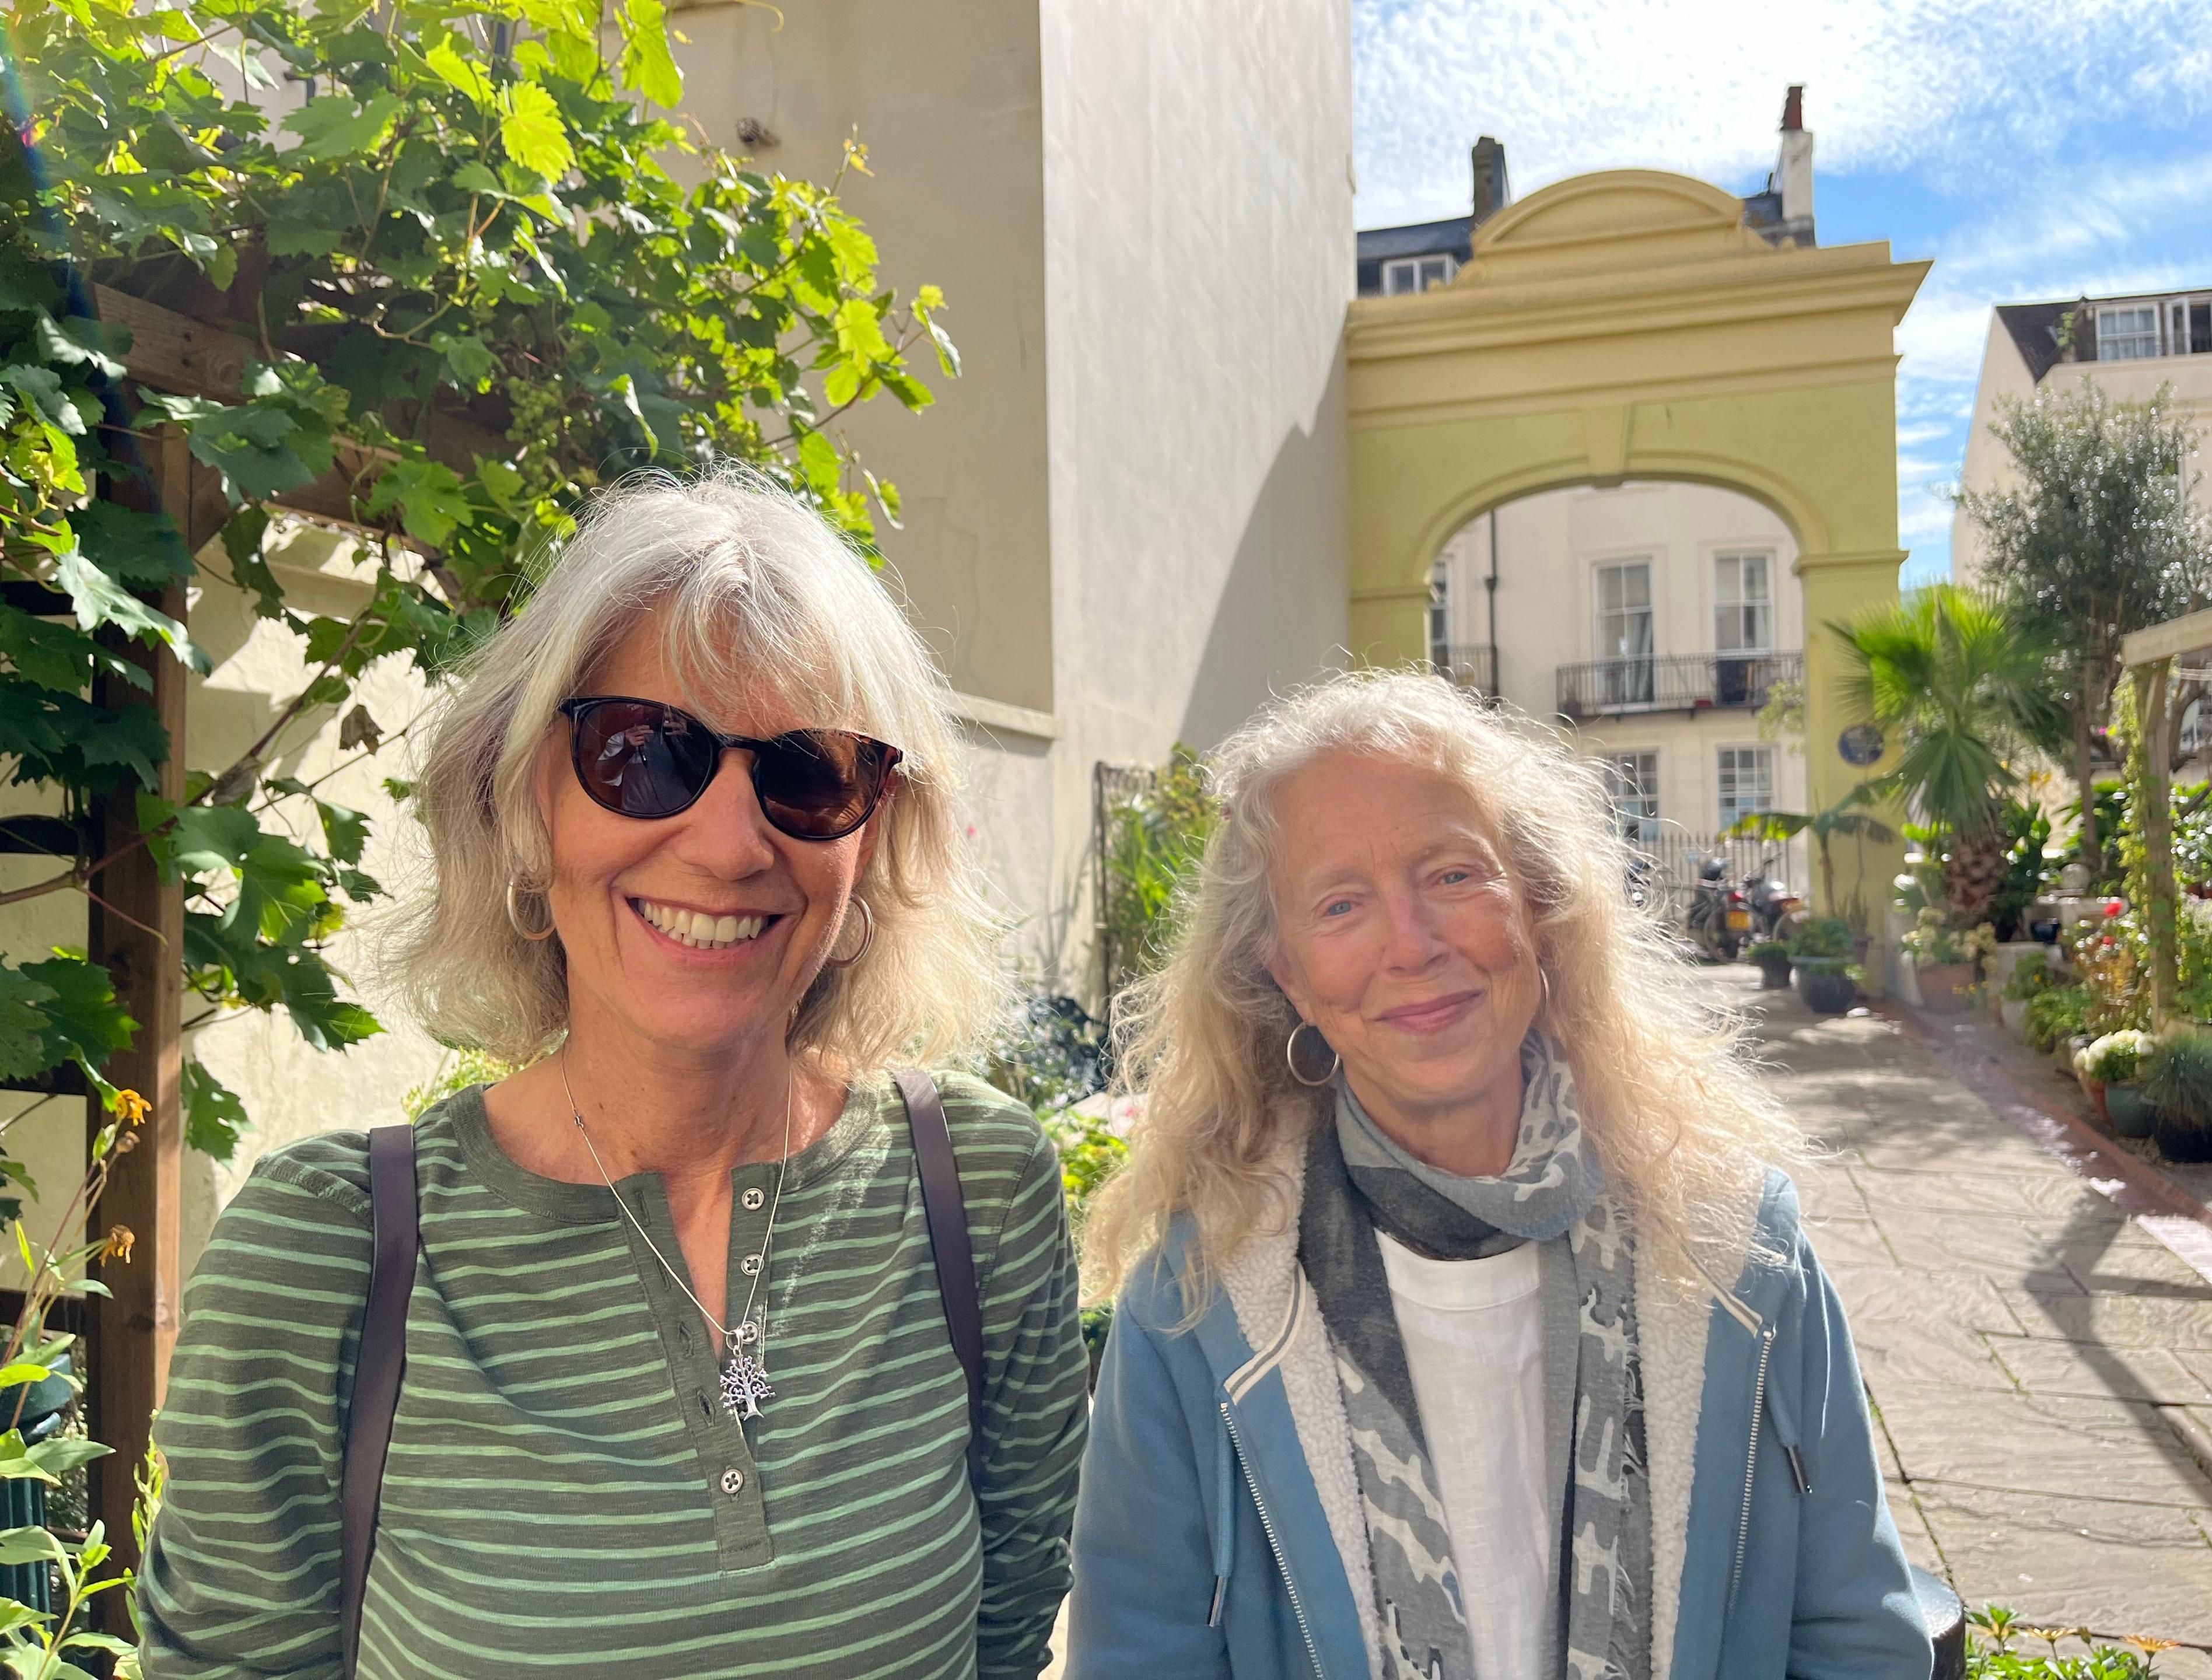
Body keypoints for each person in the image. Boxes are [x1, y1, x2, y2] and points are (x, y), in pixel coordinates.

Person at [140, 471, 1088, 1679]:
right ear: (526, 795)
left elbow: (1003, 1646)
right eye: (643, 755)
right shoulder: (328, 1253)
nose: (733, 844)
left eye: (810, 774)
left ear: (872, 833)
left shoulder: (979, 1195)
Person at [1068, 671, 1927, 1680]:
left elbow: (1857, 1636)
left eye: (1452, 876)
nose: (1413, 945)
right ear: (1287, 976)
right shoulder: (1197, 1297)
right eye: (1341, 904)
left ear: (1540, 908)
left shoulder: (1738, 1243)